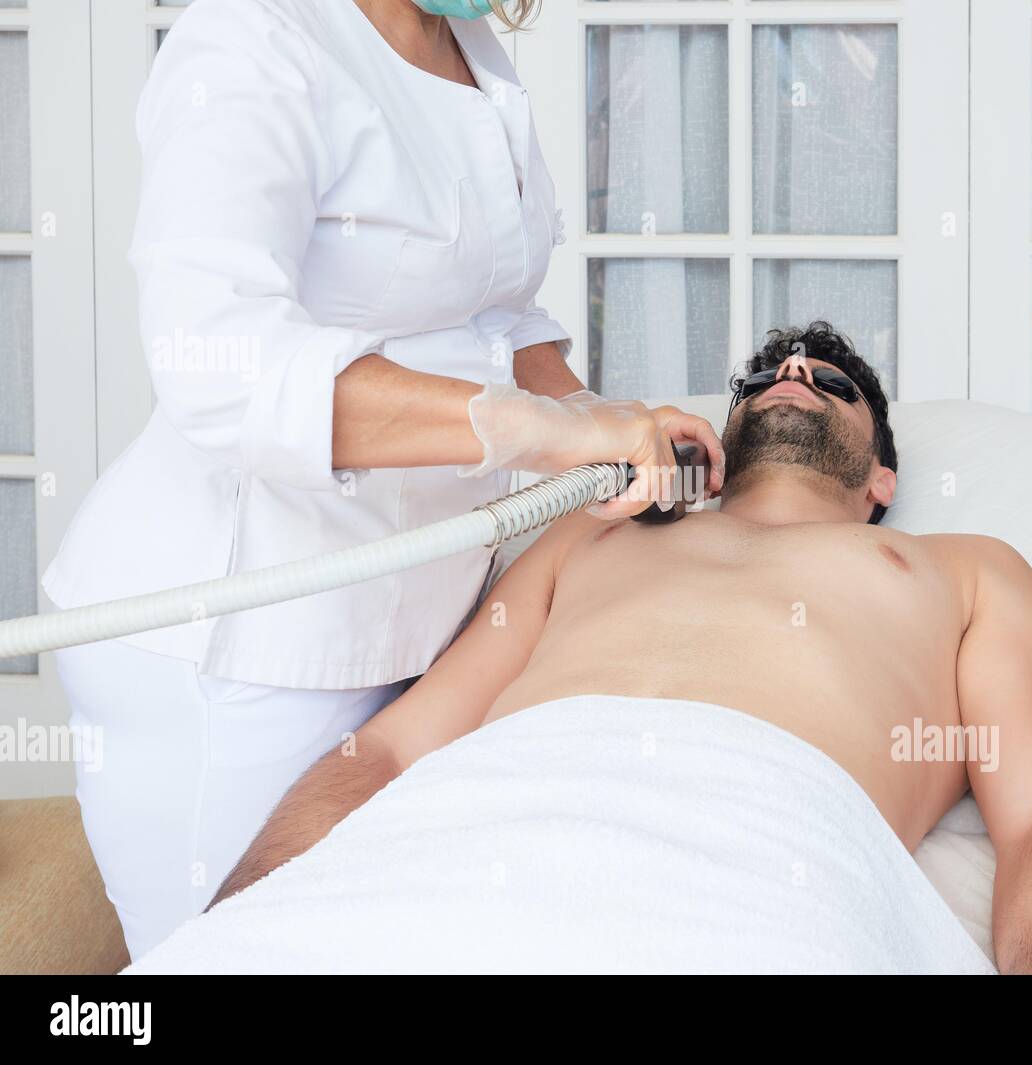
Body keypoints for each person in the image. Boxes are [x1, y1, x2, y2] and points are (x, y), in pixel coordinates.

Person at [42, 0, 722, 960]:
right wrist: (538, 432)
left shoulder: (470, 49)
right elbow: (218, 357)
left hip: (413, 627)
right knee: (230, 954)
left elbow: (498, 316)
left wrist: (613, 423)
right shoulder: (259, 37)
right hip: (238, 640)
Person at [195, 322, 1032, 975]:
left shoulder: (962, 569)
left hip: (767, 849)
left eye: (830, 382)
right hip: (475, 820)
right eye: (765, 377)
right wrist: (243, 924)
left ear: (882, 473)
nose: (792, 379)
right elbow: (394, 747)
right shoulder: (592, 533)